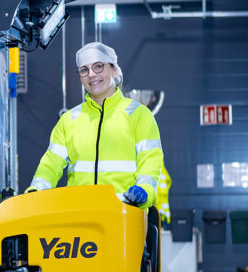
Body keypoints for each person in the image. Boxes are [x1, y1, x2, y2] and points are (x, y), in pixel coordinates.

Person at [27, 42, 164, 209]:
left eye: (98, 66)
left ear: (114, 70)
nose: (91, 74)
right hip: (78, 216)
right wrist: (37, 189)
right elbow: (51, 163)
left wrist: (145, 190)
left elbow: (150, 160)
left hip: (123, 214)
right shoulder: (69, 119)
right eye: (84, 70)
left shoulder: (138, 115)